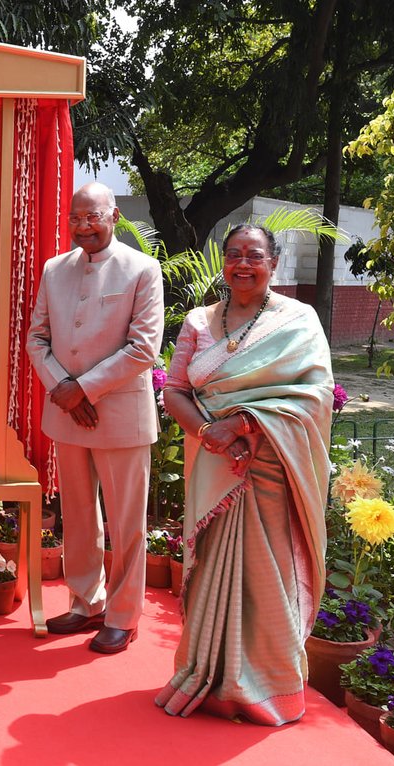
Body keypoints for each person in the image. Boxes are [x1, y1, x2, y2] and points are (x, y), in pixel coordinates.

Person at [154, 224, 332, 725]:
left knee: (266, 571)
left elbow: (315, 394)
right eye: (234, 255)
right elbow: (173, 390)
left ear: (273, 263)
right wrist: (214, 433)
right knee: (212, 563)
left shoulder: (299, 320)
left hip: (272, 462)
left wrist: (247, 423)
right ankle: (207, 674)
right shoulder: (198, 321)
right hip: (215, 460)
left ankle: (265, 687)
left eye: (255, 255)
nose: (243, 264)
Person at [26, 181, 164, 654]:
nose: (83, 226)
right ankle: (87, 601)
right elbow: (36, 338)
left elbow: (145, 347)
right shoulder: (54, 269)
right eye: (76, 218)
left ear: (115, 216)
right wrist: (60, 389)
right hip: (67, 416)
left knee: (127, 523)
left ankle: (124, 616)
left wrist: (81, 388)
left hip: (120, 415)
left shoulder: (143, 269)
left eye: (93, 217)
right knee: (79, 515)